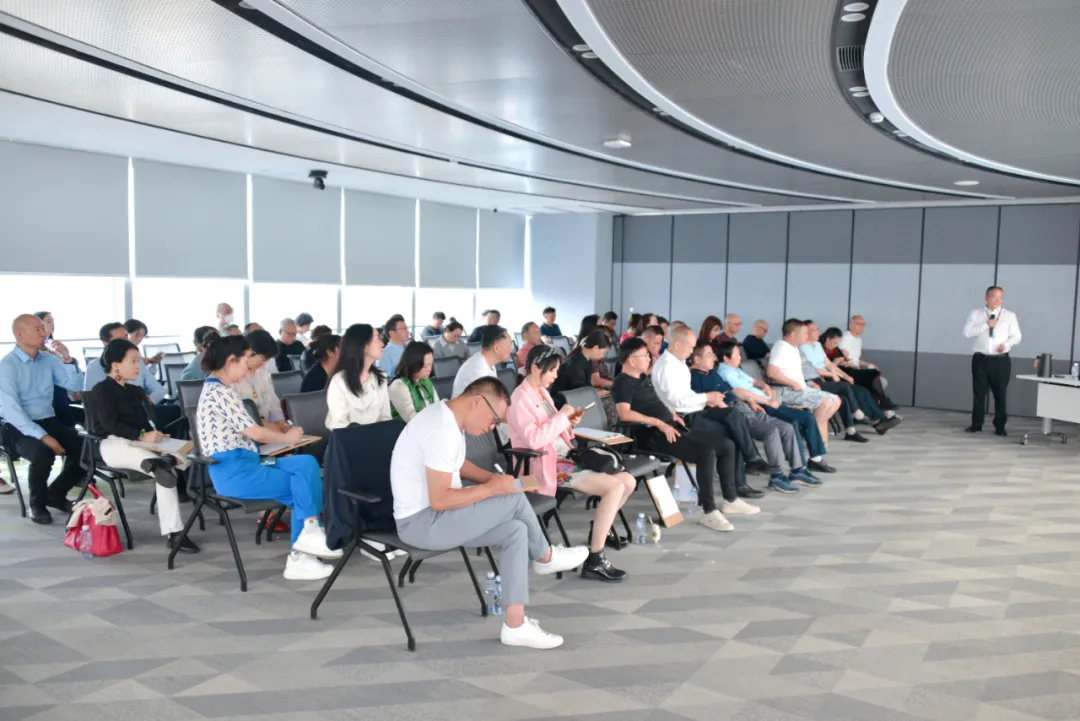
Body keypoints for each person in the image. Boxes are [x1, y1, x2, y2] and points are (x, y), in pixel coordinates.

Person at [391, 376, 589, 649]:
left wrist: (492, 479)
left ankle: (515, 626)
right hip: (422, 523)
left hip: (439, 518)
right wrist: (492, 488)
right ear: (477, 402)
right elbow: (440, 500)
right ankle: (545, 556)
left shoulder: (448, 415)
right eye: (494, 419)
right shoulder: (440, 429)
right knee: (515, 500)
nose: (491, 427)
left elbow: (458, 464)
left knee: (516, 530)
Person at [196, 334, 340, 580]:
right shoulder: (219, 392)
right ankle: (301, 553)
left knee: (306, 463)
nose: (248, 366)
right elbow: (254, 432)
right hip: (235, 472)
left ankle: (309, 534)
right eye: (245, 360)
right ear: (231, 361)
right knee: (301, 484)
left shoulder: (223, 389)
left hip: (249, 462)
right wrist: (287, 438)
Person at [509, 345, 634, 582]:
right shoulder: (520, 398)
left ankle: (600, 530)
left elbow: (554, 430)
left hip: (563, 457)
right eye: (552, 370)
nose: (556, 376)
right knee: (615, 486)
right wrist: (561, 417)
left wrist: (569, 421)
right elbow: (534, 440)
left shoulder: (541, 392)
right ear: (535, 369)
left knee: (628, 481)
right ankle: (595, 559)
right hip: (543, 465)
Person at [612, 338, 751, 532]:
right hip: (651, 435)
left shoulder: (643, 378)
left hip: (671, 426)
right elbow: (625, 414)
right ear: (631, 360)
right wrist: (659, 423)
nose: (649, 359)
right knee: (705, 453)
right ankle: (709, 511)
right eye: (644, 356)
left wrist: (671, 414)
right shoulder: (622, 382)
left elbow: (654, 403)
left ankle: (731, 500)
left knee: (727, 445)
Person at [92, 338, 199, 554]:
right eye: (133, 361)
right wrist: (142, 435)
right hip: (115, 444)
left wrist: (156, 434)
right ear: (116, 365)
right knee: (163, 469)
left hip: (142, 444)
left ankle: (165, 461)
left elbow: (147, 422)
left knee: (191, 449)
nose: (138, 366)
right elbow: (110, 425)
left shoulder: (136, 391)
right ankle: (174, 532)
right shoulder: (101, 390)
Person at [651, 326, 769, 493]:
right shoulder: (667, 367)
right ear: (677, 344)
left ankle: (750, 463)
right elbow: (677, 401)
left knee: (734, 417)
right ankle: (740, 481)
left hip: (695, 410)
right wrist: (706, 397)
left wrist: (709, 399)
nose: (691, 352)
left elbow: (687, 395)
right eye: (690, 347)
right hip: (682, 419)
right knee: (733, 432)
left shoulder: (678, 363)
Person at [690, 340, 816, 494]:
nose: (714, 358)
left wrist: (750, 400)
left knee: (786, 427)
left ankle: (797, 470)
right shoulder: (694, 377)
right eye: (709, 355)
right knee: (770, 431)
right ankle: (777, 476)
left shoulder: (712, 373)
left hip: (745, 405)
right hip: (733, 413)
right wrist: (735, 406)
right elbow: (709, 402)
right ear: (697, 359)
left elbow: (734, 391)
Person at [0, 314, 85, 523]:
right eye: (37, 329)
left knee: (85, 449)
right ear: (20, 335)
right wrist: (43, 436)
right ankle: (36, 505)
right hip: (15, 427)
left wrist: (67, 359)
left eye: (43, 328)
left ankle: (55, 494)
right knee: (42, 454)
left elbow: (75, 385)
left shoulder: (48, 360)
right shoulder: (7, 366)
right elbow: (12, 411)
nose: (44, 334)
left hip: (48, 419)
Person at [716, 341, 834, 475]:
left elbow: (753, 382)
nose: (740, 357)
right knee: (802, 419)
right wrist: (766, 401)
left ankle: (807, 462)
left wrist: (764, 386)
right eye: (737, 354)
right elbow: (741, 392)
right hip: (761, 404)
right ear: (726, 358)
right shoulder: (726, 373)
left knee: (804, 419)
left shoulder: (734, 369)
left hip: (766, 399)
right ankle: (805, 464)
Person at [801, 320, 899, 438]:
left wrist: (846, 376)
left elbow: (829, 364)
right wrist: (831, 374)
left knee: (862, 390)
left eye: (817, 329)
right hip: (819, 379)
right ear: (805, 332)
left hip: (831, 375)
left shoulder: (817, 345)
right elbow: (811, 369)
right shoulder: (802, 347)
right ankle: (865, 416)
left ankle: (875, 420)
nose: (818, 332)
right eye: (815, 330)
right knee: (848, 391)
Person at [85, 323, 182, 431]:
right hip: (118, 416)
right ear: (105, 343)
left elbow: (158, 389)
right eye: (120, 339)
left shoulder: (137, 363)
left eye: (126, 337)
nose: (126, 341)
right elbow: (93, 402)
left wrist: (149, 400)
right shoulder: (95, 368)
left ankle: (158, 438)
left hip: (143, 410)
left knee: (176, 413)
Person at [767, 319, 841, 443]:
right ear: (794, 334)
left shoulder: (793, 347)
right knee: (825, 402)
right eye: (805, 333)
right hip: (788, 391)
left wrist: (809, 383)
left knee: (836, 400)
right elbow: (771, 372)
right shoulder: (781, 347)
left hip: (802, 388)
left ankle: (812, 433)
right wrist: (792, 383)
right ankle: (811, 436)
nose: (807, 336)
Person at [964, 286, 1021, 435]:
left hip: (1000, 361)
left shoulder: (1009, 315)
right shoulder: (976, 314)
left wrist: (1006, 345)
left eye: (1001, 298)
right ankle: (976, 424)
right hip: (980, 359)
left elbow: (1017, 336)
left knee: (1000, 393)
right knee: (979, 393)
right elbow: (967, 332)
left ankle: (1000, 426)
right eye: (994, 297)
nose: (998, 301)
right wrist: (986, 325)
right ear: (986, 297)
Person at [324, 323, 391, 429]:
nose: (382, 344)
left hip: (377, 436)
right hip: (349, 437)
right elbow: (339, 425)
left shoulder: (380, 377)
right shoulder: (339, 381)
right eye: (376, 339)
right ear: (364, 346)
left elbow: (386, 417)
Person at [838, 316, 900, 416]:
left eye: (863, 324)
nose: (861, 327)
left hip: (855, 370)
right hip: (847, 371)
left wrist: (868, 364)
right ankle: (883, 402)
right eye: (858, 324)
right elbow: (845, 359)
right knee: (873, 375)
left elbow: (856, 359)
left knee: (875, 381)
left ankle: (880, 411)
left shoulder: (859, 340)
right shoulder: (845, 338)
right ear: (850, 325)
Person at [235, 329, 288, 430]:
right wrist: (271, 429)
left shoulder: (262, 370)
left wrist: (283, 424)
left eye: (266, 361)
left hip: (266, 427)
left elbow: (272, 400)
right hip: (245, 430)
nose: (263, 364)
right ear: (250, 352)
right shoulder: (232, 375)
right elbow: (240, 414)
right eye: (262, 359)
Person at [550, 330, 612, 402]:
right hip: (564, 402)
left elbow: (584, 387)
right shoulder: (576, 365)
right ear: (595, 348)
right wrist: (599, 393)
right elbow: (581, 393)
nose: (603, 356)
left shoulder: (585, 359)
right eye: (603, 353)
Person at [452, 325, 511, 398]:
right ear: (496, 347)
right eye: (509, 345)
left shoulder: (487, 362)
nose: (511, 350)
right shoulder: (478, 370)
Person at [389, 341, 438, 423]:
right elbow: (411, 418)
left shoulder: (426, 381)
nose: (429, 369)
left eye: (430, 365)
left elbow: (437, 405)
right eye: (425, 366)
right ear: (414, 364)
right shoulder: (398, 385)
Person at [377, 314, 410, 379]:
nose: (407, 331)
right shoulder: (384, 353)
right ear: (391, 333)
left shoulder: (411, 349)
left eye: (406, 328)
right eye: (403, 328)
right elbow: (383, 380)